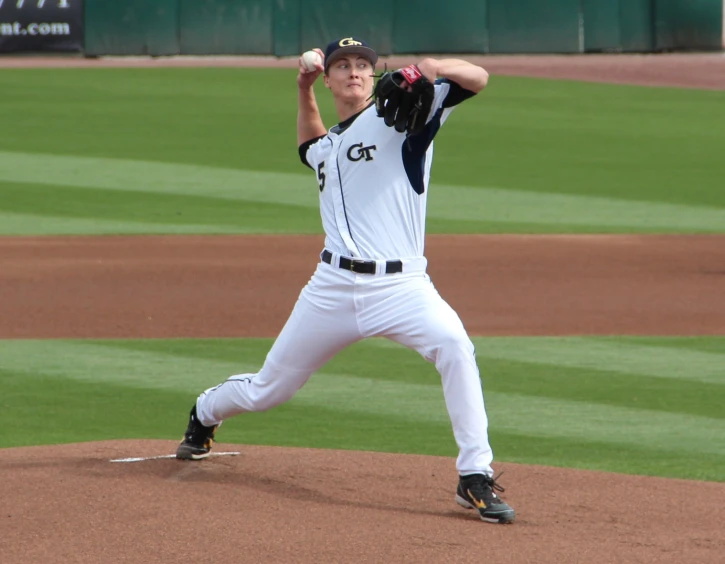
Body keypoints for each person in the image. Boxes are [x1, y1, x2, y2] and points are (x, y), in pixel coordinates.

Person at [176, 36, 515, 525]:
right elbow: (309, 145)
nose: (354, 72)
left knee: (455, 346)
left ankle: (474, 475)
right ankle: (205, 413)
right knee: (269, 389)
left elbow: (478, 80)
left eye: (362, 64)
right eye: (343, 65)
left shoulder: (405, 111)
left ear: (374, 75)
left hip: (402, 288)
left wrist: (433, 67)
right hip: (330, 289)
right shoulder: (328, 147)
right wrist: (302, 89)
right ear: (330, 77)